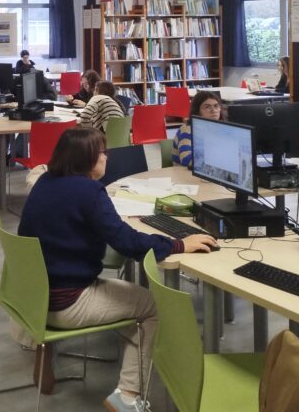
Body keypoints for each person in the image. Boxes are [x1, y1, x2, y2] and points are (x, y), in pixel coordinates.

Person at [19, 128, 217, 412]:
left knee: (133, 298)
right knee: (153, 307)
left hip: (33, 299)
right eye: (103, 152)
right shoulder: (89, 192)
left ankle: (53, 355)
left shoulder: (45, 182)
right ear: (88, 158)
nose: (106, 158)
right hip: (66, 301)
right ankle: (127, 397)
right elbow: (127, 243)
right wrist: (179, 244)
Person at [172, 90, 224, 168]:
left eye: (216, 106)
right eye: (207, 107)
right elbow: (186, 160)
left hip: (209, 170)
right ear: (197, 111)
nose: (214, 110)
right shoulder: (187, 130)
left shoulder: (220, 129)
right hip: (185, 172)